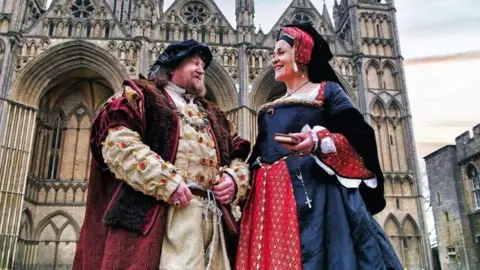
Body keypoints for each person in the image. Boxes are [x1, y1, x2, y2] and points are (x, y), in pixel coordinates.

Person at [235, 23, 403, 270]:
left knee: (319, 253)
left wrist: (318, 142)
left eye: (280, 53)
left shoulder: (327, 91)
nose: (274, 60)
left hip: (318, 195)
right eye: (273, 54)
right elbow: (257, 156)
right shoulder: (273, 106)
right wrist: (237, 178)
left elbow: (361, 137)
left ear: (301, 54)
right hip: (270, 197)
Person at [73, 39, 251, 270]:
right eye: (194, 63)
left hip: (212, 219)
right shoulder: (140, 95)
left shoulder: (213, 114)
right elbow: (117, 142)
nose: (201, 69)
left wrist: (234, 180)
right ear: (172, 67)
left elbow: (239, 155)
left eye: (203, 66)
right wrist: (167, 181)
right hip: (159, 215)